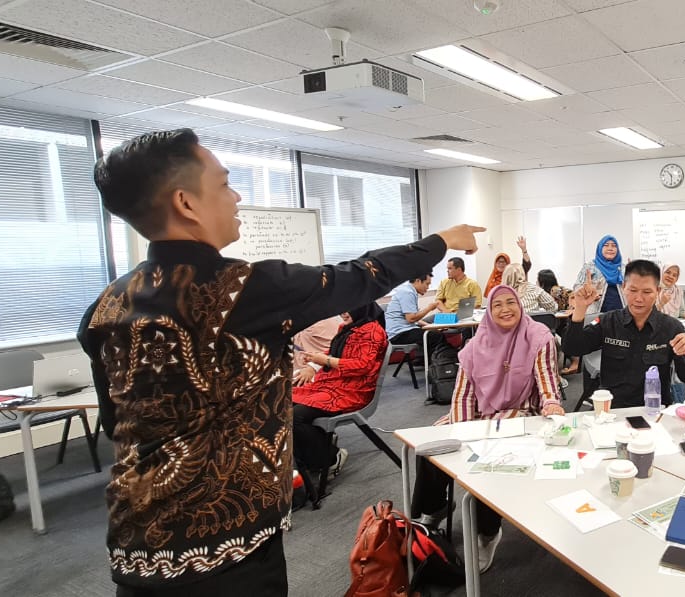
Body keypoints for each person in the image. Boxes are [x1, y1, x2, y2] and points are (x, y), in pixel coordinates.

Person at [77, 128, 482, 595]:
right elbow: (359, 276)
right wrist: (440, 240)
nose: (236, 197)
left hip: (136, 538)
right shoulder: (241, 290)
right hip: (227, 543)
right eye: (224, 184)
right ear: (186, 203)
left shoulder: (104, 307)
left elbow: (117, 424)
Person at [410, 285, 565, 572]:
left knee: (487, 460)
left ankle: (488, 532)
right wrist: (462, 431)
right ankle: (435, 508)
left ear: (520, 305)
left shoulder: (538, 337)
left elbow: (547, 380)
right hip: (479, 413)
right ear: (489, 311)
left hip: (519, 413)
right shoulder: (474, 346)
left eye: (511, 303)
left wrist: (552, 403)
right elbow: (463, 394)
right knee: (434, 444)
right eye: (497, 305)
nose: (505, 310)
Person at [562, 260, 685, 409]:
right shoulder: (608, 321)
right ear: (624, 287)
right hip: (613, 409)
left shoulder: (671, 327)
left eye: (647, 292)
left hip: (654, 409)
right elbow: (572, 348)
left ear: (658, 291)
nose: (639, 298)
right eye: (633, 290)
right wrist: (580, 309)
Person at [291, 303, 388, 501]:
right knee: (286, 405)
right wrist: (313, 363)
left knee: (294, 417)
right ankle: (312, 456)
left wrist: (324, 361)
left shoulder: (372, 331)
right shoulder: (347, 328)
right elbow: (332, 352)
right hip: (333, 384)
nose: (342, 312)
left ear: (361, 307)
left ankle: (331, 458)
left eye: (347, 308)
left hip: (353, 390)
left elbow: (361, 366)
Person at [573, 235, 625, 315]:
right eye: (606, 245)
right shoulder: (590, 267)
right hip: (596, 312)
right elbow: (577, 288)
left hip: (621, 313)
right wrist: (587, 292)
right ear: (600, 248)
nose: (610, 248)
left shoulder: (623, 268)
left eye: (614, 246)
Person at [385, 273, 438, 345]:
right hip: (399, 334)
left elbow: (413, 319)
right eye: (427, 284)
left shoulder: (408, 290)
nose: (428, 287)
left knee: (432, 333)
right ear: (418, 281)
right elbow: (411, 318)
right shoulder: (408, 292)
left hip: (401, 331)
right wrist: (429, 308)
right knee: (436, 336)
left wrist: (429, 326)